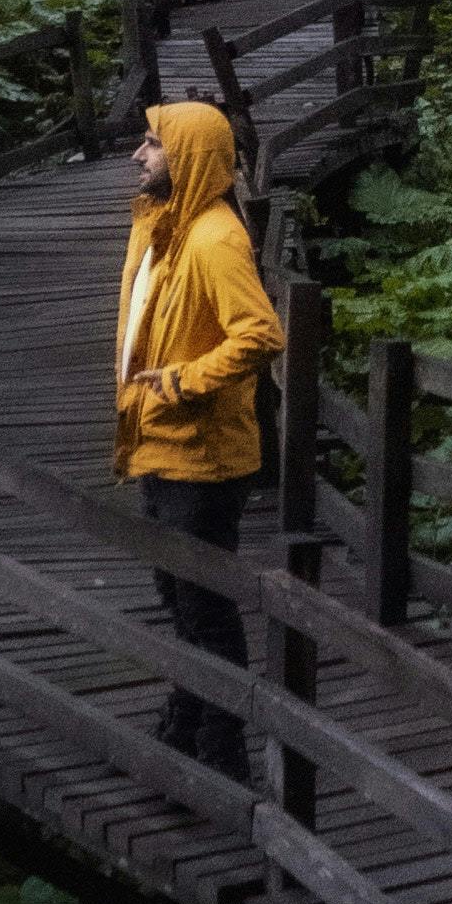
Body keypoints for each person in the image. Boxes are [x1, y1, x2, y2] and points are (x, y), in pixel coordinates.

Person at [115, 93, 284, 751]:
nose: (139, 153)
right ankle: (185, 723)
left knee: (204, 610)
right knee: (180, 603)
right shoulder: (157, 224)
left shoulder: (215, 238)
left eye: (153, 143)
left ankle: (221, 750)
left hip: (201, 455)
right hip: (158, 443)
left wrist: (185, 382)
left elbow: (260, 333)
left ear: (187, 155)